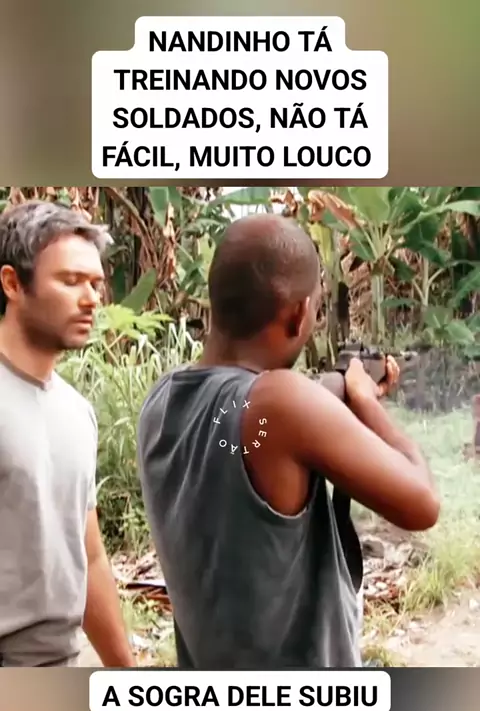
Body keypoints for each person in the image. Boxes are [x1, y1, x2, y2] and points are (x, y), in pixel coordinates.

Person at [137, 213, 440, 669]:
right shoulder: (281, 404)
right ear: (298, 314)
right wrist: (364, 399)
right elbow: (423, 504)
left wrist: (333, 393)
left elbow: (247, 419)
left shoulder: (160, 400)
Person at [0, 200, 135, 667]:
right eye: (71, 281)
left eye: (95, 284)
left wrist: (126, 672)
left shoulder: (76, 412)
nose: (92, 299)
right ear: (12, 283)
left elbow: (89, 554)